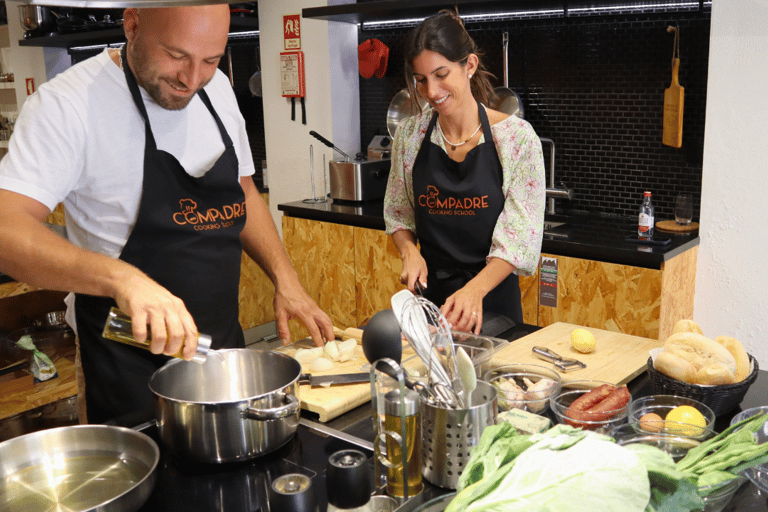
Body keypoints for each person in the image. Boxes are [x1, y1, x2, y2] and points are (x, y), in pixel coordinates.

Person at [0, 5, 334, 426]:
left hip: (219, 353)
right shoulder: (67, 105)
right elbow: (6, 229)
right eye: (176, 55)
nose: (192, 80)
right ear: (133, 25)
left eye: (210, 60)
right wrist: (125, 279)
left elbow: (243, 190)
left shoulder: (219, 91)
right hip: (129, 366)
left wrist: (287, 281)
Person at [384, 10, 546, 334]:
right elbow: (398, 214)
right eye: (421, 79)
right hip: (431, 310)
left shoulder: (516, 139)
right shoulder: (409, 137)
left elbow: (518, 242)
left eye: (441, 74)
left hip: (492, 308)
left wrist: (475, 290)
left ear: (469, 65)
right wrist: (409, 252)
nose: (431, 91)